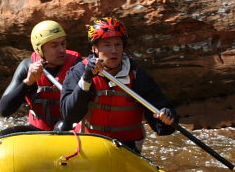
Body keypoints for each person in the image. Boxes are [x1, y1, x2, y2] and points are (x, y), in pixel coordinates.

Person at [60, 16, 177, 153]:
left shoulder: (137, 75)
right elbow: (69, 115)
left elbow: (163, 129)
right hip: (90, 145)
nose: (114, 50)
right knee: (60, 127)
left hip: (127, 149)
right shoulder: (79, 72)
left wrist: (167, 117)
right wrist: (86, 79)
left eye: (118, 44)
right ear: (95, 48)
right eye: (107, 45)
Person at [0, 19, 83, 134]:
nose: (62, 50)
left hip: (70, 130)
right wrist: (28, 82)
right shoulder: (27, 67)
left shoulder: (78, 66)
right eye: (54, 46)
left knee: (61, 127)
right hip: (38, 130)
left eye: (63, 43)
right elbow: (4, 110)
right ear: (39, 50)